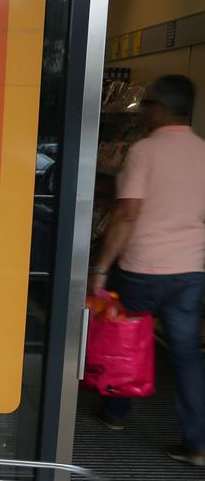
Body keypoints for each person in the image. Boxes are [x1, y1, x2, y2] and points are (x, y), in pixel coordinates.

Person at [88, 74, 205, 466]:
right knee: (186, 355)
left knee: (128, 338)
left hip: (142, 267)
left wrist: (101, 267)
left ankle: (117, 412)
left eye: (149, 104)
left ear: (160, 108)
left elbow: (126, 214)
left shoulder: (144, 151)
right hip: (190, 271)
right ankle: (198, 443)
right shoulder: (203, 151)